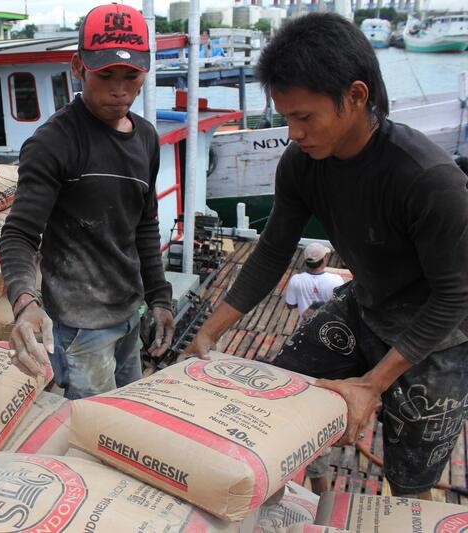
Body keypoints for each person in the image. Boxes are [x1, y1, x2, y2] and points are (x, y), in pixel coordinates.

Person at [186, 12, 468, 500]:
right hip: (368, 305)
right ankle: (305, 496)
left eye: (304, 116)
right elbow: (271, 252)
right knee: (280, 396)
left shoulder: (428, 179)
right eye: (285, 117)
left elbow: (455, 296)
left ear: (356, 97)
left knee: (410, 479)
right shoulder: (302, 164)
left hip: (438, 334)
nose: (293, 133)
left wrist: (372, 384)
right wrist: (209, 332)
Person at [0, 3, 175, 400]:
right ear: (79, 67)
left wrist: (159, 299)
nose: (120, 89)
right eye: (105, 75)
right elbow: (19, 236)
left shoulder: (146, 138)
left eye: (131, 76)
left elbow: (144, 224)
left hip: (130, 314)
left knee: (128, 413)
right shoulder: (55, 142)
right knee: (92, 432)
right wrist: (25, 303)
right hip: (80, 327)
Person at [285, 242, 344, 321]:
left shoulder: (295, 280)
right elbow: (341, 306)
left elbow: (290, 305)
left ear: (305, 261)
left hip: (305, 327)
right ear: (324, 259)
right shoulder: (337, 280)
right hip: (328, 327)